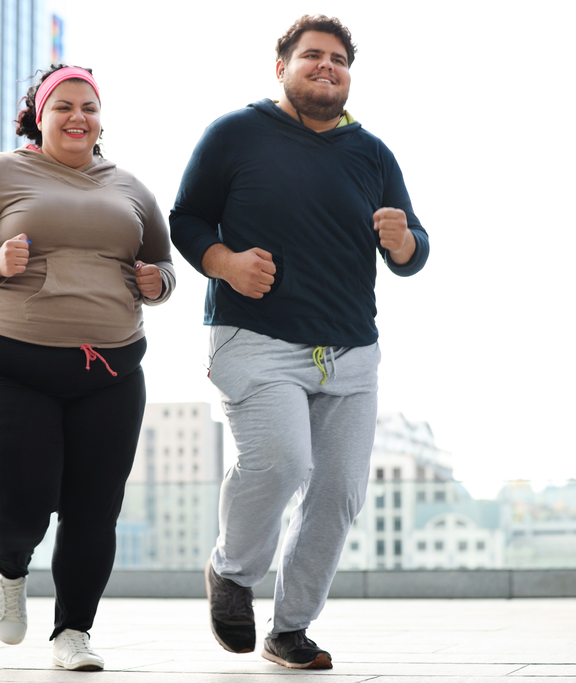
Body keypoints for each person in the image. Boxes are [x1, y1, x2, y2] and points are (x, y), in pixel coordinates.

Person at [170, 14, 429, 671]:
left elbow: (413, 248)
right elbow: (186, 218)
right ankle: (232, 569)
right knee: (282, 461)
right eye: (312, 55)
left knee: (339, 489)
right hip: (254, 338)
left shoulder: (372, 153)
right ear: (280, 66)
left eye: (339, 58)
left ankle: (290, 628)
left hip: (351, 351)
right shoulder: (236, 134)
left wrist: (402, 242)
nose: (327, 65)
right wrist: (225, 262)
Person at [0, 64, 175, 672]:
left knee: (95, 507)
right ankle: (10, 569)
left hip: (111, 369)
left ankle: (74, 631)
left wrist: (158, 282)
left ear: (100, 121)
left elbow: (163, 266)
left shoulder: (132, 188)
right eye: (63, 106)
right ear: (39, 116)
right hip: (8, 359)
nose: (77, 117)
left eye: (88, 108)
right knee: (22, 499)